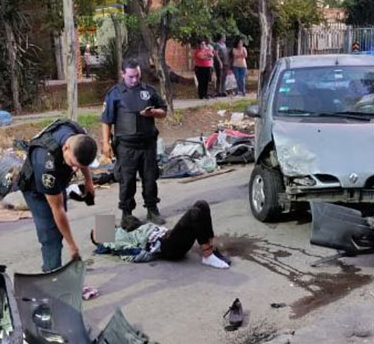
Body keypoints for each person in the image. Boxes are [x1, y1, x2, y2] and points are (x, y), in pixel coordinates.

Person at [99, 60, 169, 230]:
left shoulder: (148, 91)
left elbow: (163, 111)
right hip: (125, 146)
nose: (134, 80)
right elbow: (106, 121)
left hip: (147, 144)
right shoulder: (114, 93)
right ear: (123, 74)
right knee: (127, 180)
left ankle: (152, 210)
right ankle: (127, 213)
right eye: (131, 76)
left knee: (150, 178)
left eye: (137, 76)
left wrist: (152, 113)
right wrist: (106, 144)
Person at [16, 128, 98, 273]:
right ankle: (52, 273)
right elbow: (57, 209)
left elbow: (81, 161)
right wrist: (73, 247)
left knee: (60, 228)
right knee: (51, 234)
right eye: (73, 164)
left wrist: (88, 180)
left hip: (57, 182)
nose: (75, 169)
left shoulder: (77, 134)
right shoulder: (45, 163)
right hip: (35, 190)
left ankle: (55, 266)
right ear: (66, 147)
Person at [92, 200, 231, 269]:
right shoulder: (113, 242)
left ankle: (212, 249)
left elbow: (110, 220)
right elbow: (127, 252)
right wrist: (104, 243)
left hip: (169, 235)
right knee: (194, 213)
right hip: (167, 247)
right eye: (97, 233)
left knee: (202, 205)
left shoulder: (126, 228)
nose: (100, 228)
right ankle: (207, 256)